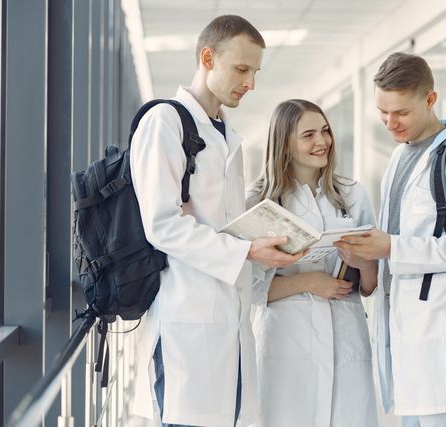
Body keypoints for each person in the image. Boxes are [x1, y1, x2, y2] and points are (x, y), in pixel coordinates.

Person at [128, 15, 304, 427]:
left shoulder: (224, 132)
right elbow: (162, 224)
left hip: (230, 320)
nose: (250, 83)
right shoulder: (164, 123)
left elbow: (223, 221)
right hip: (184, 318)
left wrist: (267, 240)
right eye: (242, 69)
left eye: (256, 72)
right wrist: (245, 249)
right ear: (208, 57)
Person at [334, 52, 446, 427]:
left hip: (436, 320)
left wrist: (391, 247)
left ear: (430, 99)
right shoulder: (400, 155)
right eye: (382, 111)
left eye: (401, 112)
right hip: (401, 318)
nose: (391, 123)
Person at [247, 99, 379, 427]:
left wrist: (361, 261)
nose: (322, 142)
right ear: (285, 143)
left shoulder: (352, 195)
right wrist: (308, 282)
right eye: (308, 135)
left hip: (345, 333)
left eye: (324, 131)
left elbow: (371, 283)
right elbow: (249, 287)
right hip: (285, 337)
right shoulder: (259, 200)